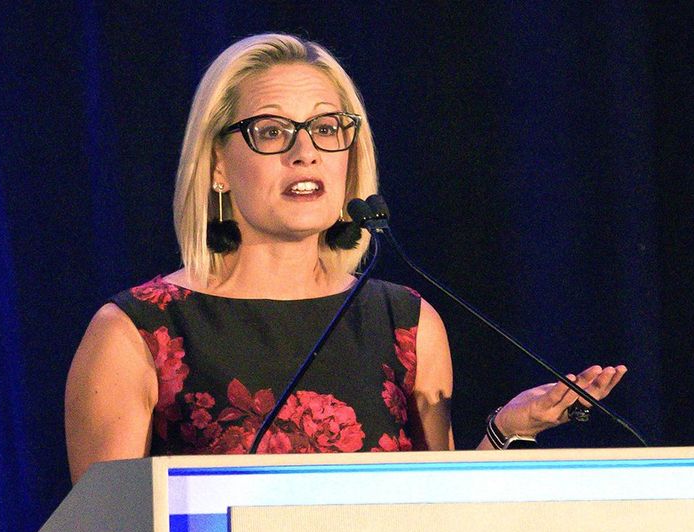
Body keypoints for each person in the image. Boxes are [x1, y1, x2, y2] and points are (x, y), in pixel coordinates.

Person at [65, 34, 626, 483]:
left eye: (326, 128)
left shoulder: (406, 323)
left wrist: (509, 430)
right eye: (271, 131)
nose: (305, 151)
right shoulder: (136, 332)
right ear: (216, 165)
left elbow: (437, 520)